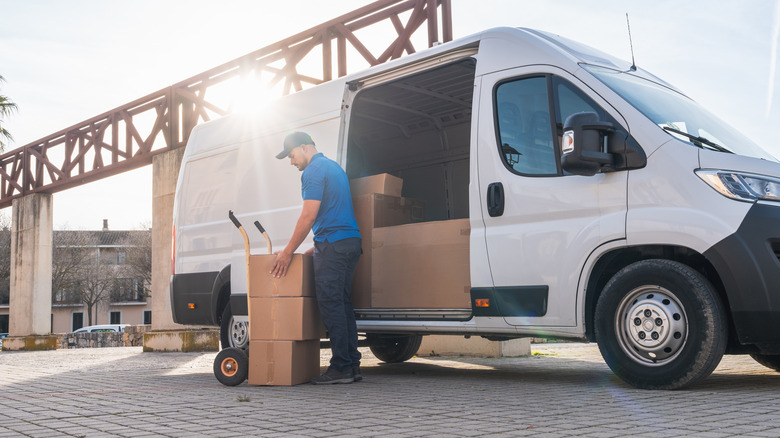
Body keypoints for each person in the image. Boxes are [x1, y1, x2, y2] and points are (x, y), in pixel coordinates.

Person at [270, 131, 363, 384]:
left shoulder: (311, 172)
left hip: (334, 245)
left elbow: (309, 216)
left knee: (332, 306)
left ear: (304, 147)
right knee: (343, 305)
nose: (292, 162)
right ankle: (352, 365)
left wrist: (287, 253)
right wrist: (315, 248)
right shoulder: (334, 167)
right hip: (349, 242)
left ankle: (341, 367)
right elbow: (335, 214)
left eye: (291, 156)